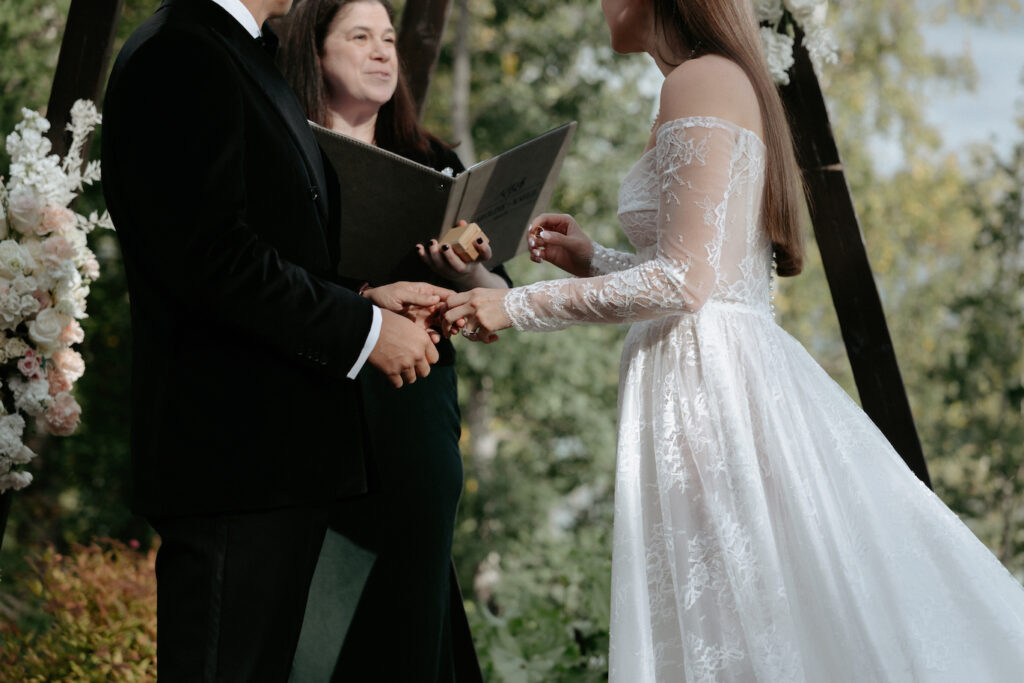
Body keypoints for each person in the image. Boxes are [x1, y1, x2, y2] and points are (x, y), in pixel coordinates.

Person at [444, 0, 1024, 680]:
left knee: (729, 610)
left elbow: (687, 285)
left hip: (705, 387)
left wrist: (516, 305)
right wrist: (593, 258)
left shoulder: (697, 80)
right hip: (707, 366)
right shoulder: (715, 78)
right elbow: (712, 279)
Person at [101, 0, 454, 679]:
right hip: (231, 456)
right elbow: (210, 258)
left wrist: (364, 298)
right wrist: (366, 330)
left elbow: (261, 248)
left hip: (277, 460)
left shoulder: (234, 52)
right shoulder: (182, 53)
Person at [277, 1, 507, 680]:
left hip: (414, 414)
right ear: (314, 53)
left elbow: (494, 298)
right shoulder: (286, 152)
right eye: (359, 37)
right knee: (317, 631)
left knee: (410, 606)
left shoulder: (431, 159)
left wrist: (467, 272)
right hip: (311, 414)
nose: (383, 52)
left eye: (388, 39)